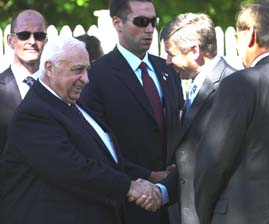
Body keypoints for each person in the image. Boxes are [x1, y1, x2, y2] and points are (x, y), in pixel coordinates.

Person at [0, 36, 162, 224]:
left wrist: (149, 176)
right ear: (50, 68)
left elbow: (104, 158)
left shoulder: (74, 103)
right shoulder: (34, 114)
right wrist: (129, 187)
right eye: (78, 70)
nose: (86, 79)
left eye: (87, 70)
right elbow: (72, 169)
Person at [191, 1, 269, 223]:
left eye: (237, 38)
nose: (238, 46)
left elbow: (212, 162)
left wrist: (204, 215)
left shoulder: (240, 84)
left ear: (250, 35)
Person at [80, 0, 184, 223]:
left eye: (153, 22)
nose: (149, 29)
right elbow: (96, 146)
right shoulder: (97, 76)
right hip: (125, 205)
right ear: (117, 23)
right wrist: (148, 175)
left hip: (173, 203)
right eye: (141, 22)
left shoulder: (168, 69)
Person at [155, 13, 235, 224]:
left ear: (195, 51)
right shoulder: (194, 85)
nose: (167, 61)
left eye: (171, 54)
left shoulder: (233, 87)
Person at [0, 9, 48, 154]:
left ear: (46, 40)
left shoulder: (60, 87)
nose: (32, 41)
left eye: (39, 35)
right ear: (10, 40)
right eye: (23, 35)